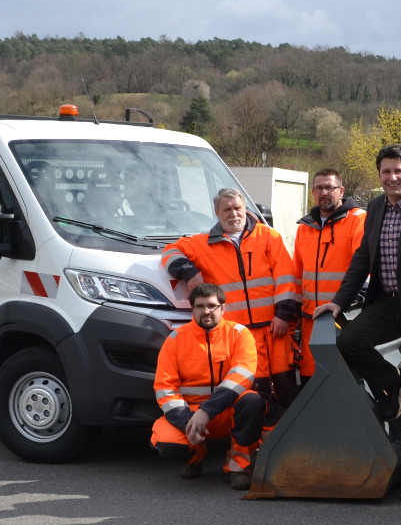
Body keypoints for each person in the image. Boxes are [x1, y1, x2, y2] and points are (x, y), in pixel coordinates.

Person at [313, 144, 401, 501]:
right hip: (386, 304)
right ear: (379, 175)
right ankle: (393, 380)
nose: (392, 178)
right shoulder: (374, 208)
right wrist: (338, 302)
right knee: (349, 342)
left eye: (398, 171)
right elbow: (363, 258)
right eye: (386, 172)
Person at [161, 188, 301, 420]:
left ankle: (290, 438)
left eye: (238, 208)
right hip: (240, 334)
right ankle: (260, 441)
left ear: (245, 209)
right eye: (227, 209)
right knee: (255, 389)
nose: (233, 213)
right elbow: (169, 251)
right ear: (217, 212)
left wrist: (284, 315)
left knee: (286, 385)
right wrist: (190, 273)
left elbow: (285, 278)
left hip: (275, 328)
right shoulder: (202, 243)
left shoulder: (268, 236)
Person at [152, 283, 265, 490]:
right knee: (168, 444)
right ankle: (194, 457)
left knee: (251, 400)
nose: (206, 311)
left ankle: (239, 468)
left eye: (212, 305)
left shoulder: (240, 334)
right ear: (192, 309)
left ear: (223, 308)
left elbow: (243, 376)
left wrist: (207, 411)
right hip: (191, 414)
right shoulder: (175, 340)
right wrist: (188, 421)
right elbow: (165, 388)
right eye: (200, 306)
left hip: (225, 412)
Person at [293, 168, 367, 380]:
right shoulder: (304, 228)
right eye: (319, 188)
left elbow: (363, 268)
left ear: (341, 190)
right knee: (311, 377)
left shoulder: (358, 220)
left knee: (345, 379)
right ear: (313, 192)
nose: (324, 192)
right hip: (311, 318)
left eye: (329, 187)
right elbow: (297, 275)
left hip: (344, 318)